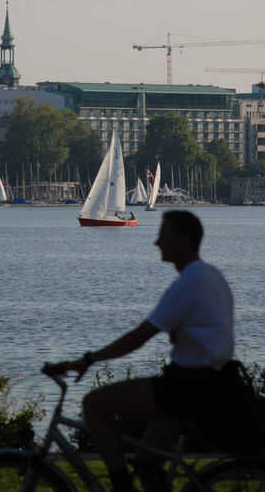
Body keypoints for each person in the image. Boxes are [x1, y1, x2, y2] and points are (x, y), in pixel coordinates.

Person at [50, 210, 234, 492]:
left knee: (94, 404)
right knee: (147, 464)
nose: (156, 243)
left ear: (183, 242)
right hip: (211, 383)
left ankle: (121, 486)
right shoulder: (212, 275)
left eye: (164, 237)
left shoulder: (188, 284)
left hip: (185, 386)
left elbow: (139, 337)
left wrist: (88, 359)